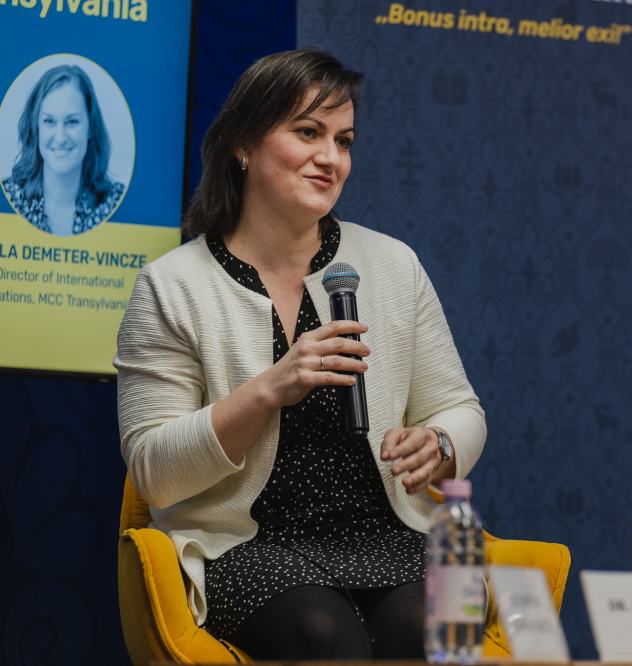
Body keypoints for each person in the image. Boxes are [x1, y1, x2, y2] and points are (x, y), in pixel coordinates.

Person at [114, 49, 486, 660]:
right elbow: (154, 471)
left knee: (436, 628)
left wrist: (439, 442)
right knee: (322, 632)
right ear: (243, 144)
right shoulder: (172, 285)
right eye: (308, 132)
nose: (331, 158)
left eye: (344, 141)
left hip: (392, 533)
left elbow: (461, 408)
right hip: (245, 544)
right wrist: (270, 388)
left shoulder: (393, 265)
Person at [2, 64, 124, 235]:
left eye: (72, 121)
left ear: (90, 128)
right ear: (36, 128)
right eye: (49, 121)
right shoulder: (8, 196)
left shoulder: (115, 201)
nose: (60, 138)